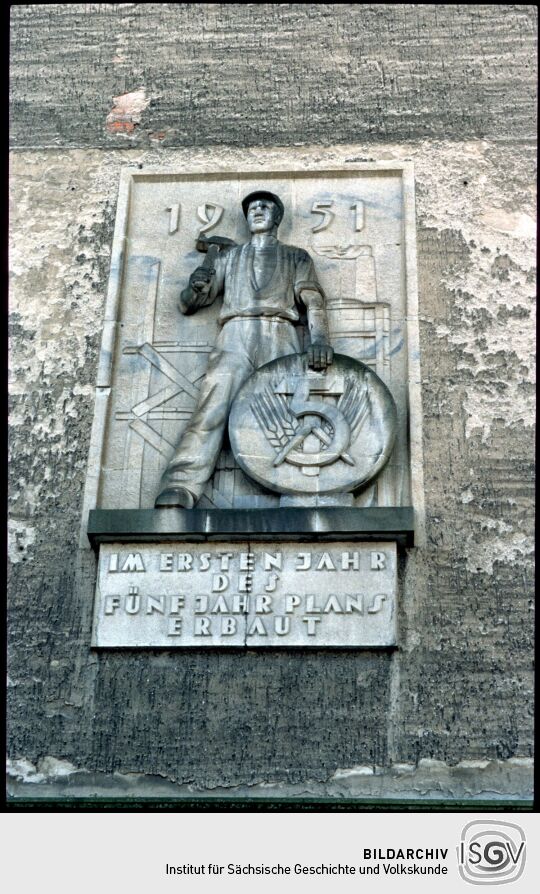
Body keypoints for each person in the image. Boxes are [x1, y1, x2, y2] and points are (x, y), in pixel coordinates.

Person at [155, 190, 334, 508]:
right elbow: (189, 304)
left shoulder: (296, 257)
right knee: (213, 403)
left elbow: (313, 302)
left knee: (288, 411)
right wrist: (196, 285)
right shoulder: (228, 257)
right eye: (252, 208)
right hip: (235, 333)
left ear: (277, 217)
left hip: (281, 333)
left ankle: (298, 486)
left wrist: (320, 341)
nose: (258, 211)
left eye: (265, 206)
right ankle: (181, 484)